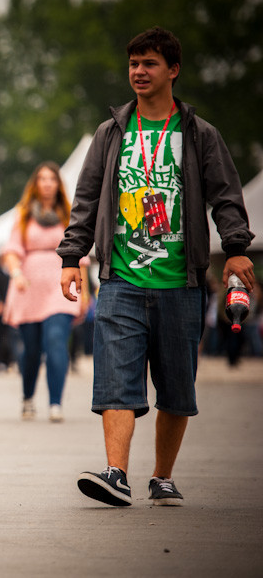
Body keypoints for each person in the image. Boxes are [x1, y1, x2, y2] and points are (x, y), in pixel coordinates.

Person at [58, 27, 255, 507]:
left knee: (175, 389)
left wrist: (235, 246)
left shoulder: (199, 134)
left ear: (173, 70)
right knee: (115, 381)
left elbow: (226, 196)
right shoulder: (111, 134)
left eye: (149, 63)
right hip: (121, 279)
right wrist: (71, 256)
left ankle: (162, 476)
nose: (139, 72)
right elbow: (85, 200)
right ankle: (116, 474)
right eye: (133, 65)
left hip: (181, 283)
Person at [2, 162, 85, 423]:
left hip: (62, 283)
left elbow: (81, 252)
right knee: (32, 349)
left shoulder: (69, 214)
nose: (47, 183)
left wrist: (87, 293)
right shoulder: (24, 214)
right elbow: (12, 250)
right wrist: (16, 274)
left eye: (52, 179)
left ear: (58, 184)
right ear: (35, 184)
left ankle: (55, 403)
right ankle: (28, 397)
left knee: (56, 340)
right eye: (42, 178)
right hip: (29, 286)